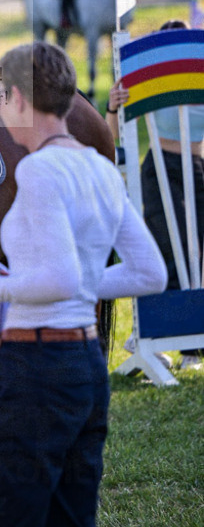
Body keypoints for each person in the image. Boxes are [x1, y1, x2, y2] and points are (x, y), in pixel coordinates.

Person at [0, 41, 167, 527]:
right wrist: (80, 282)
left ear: (19, 97)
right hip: (86, 367)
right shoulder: (102, 170)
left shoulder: (37, 171)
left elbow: (59, 277)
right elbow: (150, 272)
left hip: (36, 366)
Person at [106, 19, 204, 369]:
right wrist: (114, 105)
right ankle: (147, 334)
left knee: (199, 256)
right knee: (166, 252)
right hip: (160, 167)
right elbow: (109, 137)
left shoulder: (198, 77)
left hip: (196, 167)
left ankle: (192, 347)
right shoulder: (153, 79)